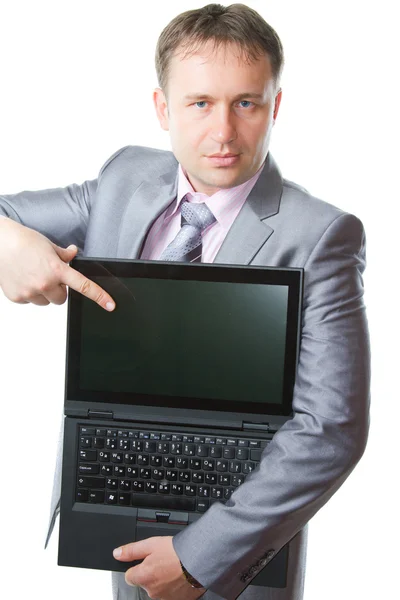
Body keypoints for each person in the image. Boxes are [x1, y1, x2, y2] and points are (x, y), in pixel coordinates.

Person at [0, 3, 370, 600]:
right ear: (161, 109)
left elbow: (332, 430)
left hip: (239, 532)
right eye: (199, 103)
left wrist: (198, 560)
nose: (222, 133)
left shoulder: (322, 234)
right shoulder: (124, 178)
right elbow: (7, 214)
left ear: (275, 106)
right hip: (123, 476)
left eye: (245, 103)